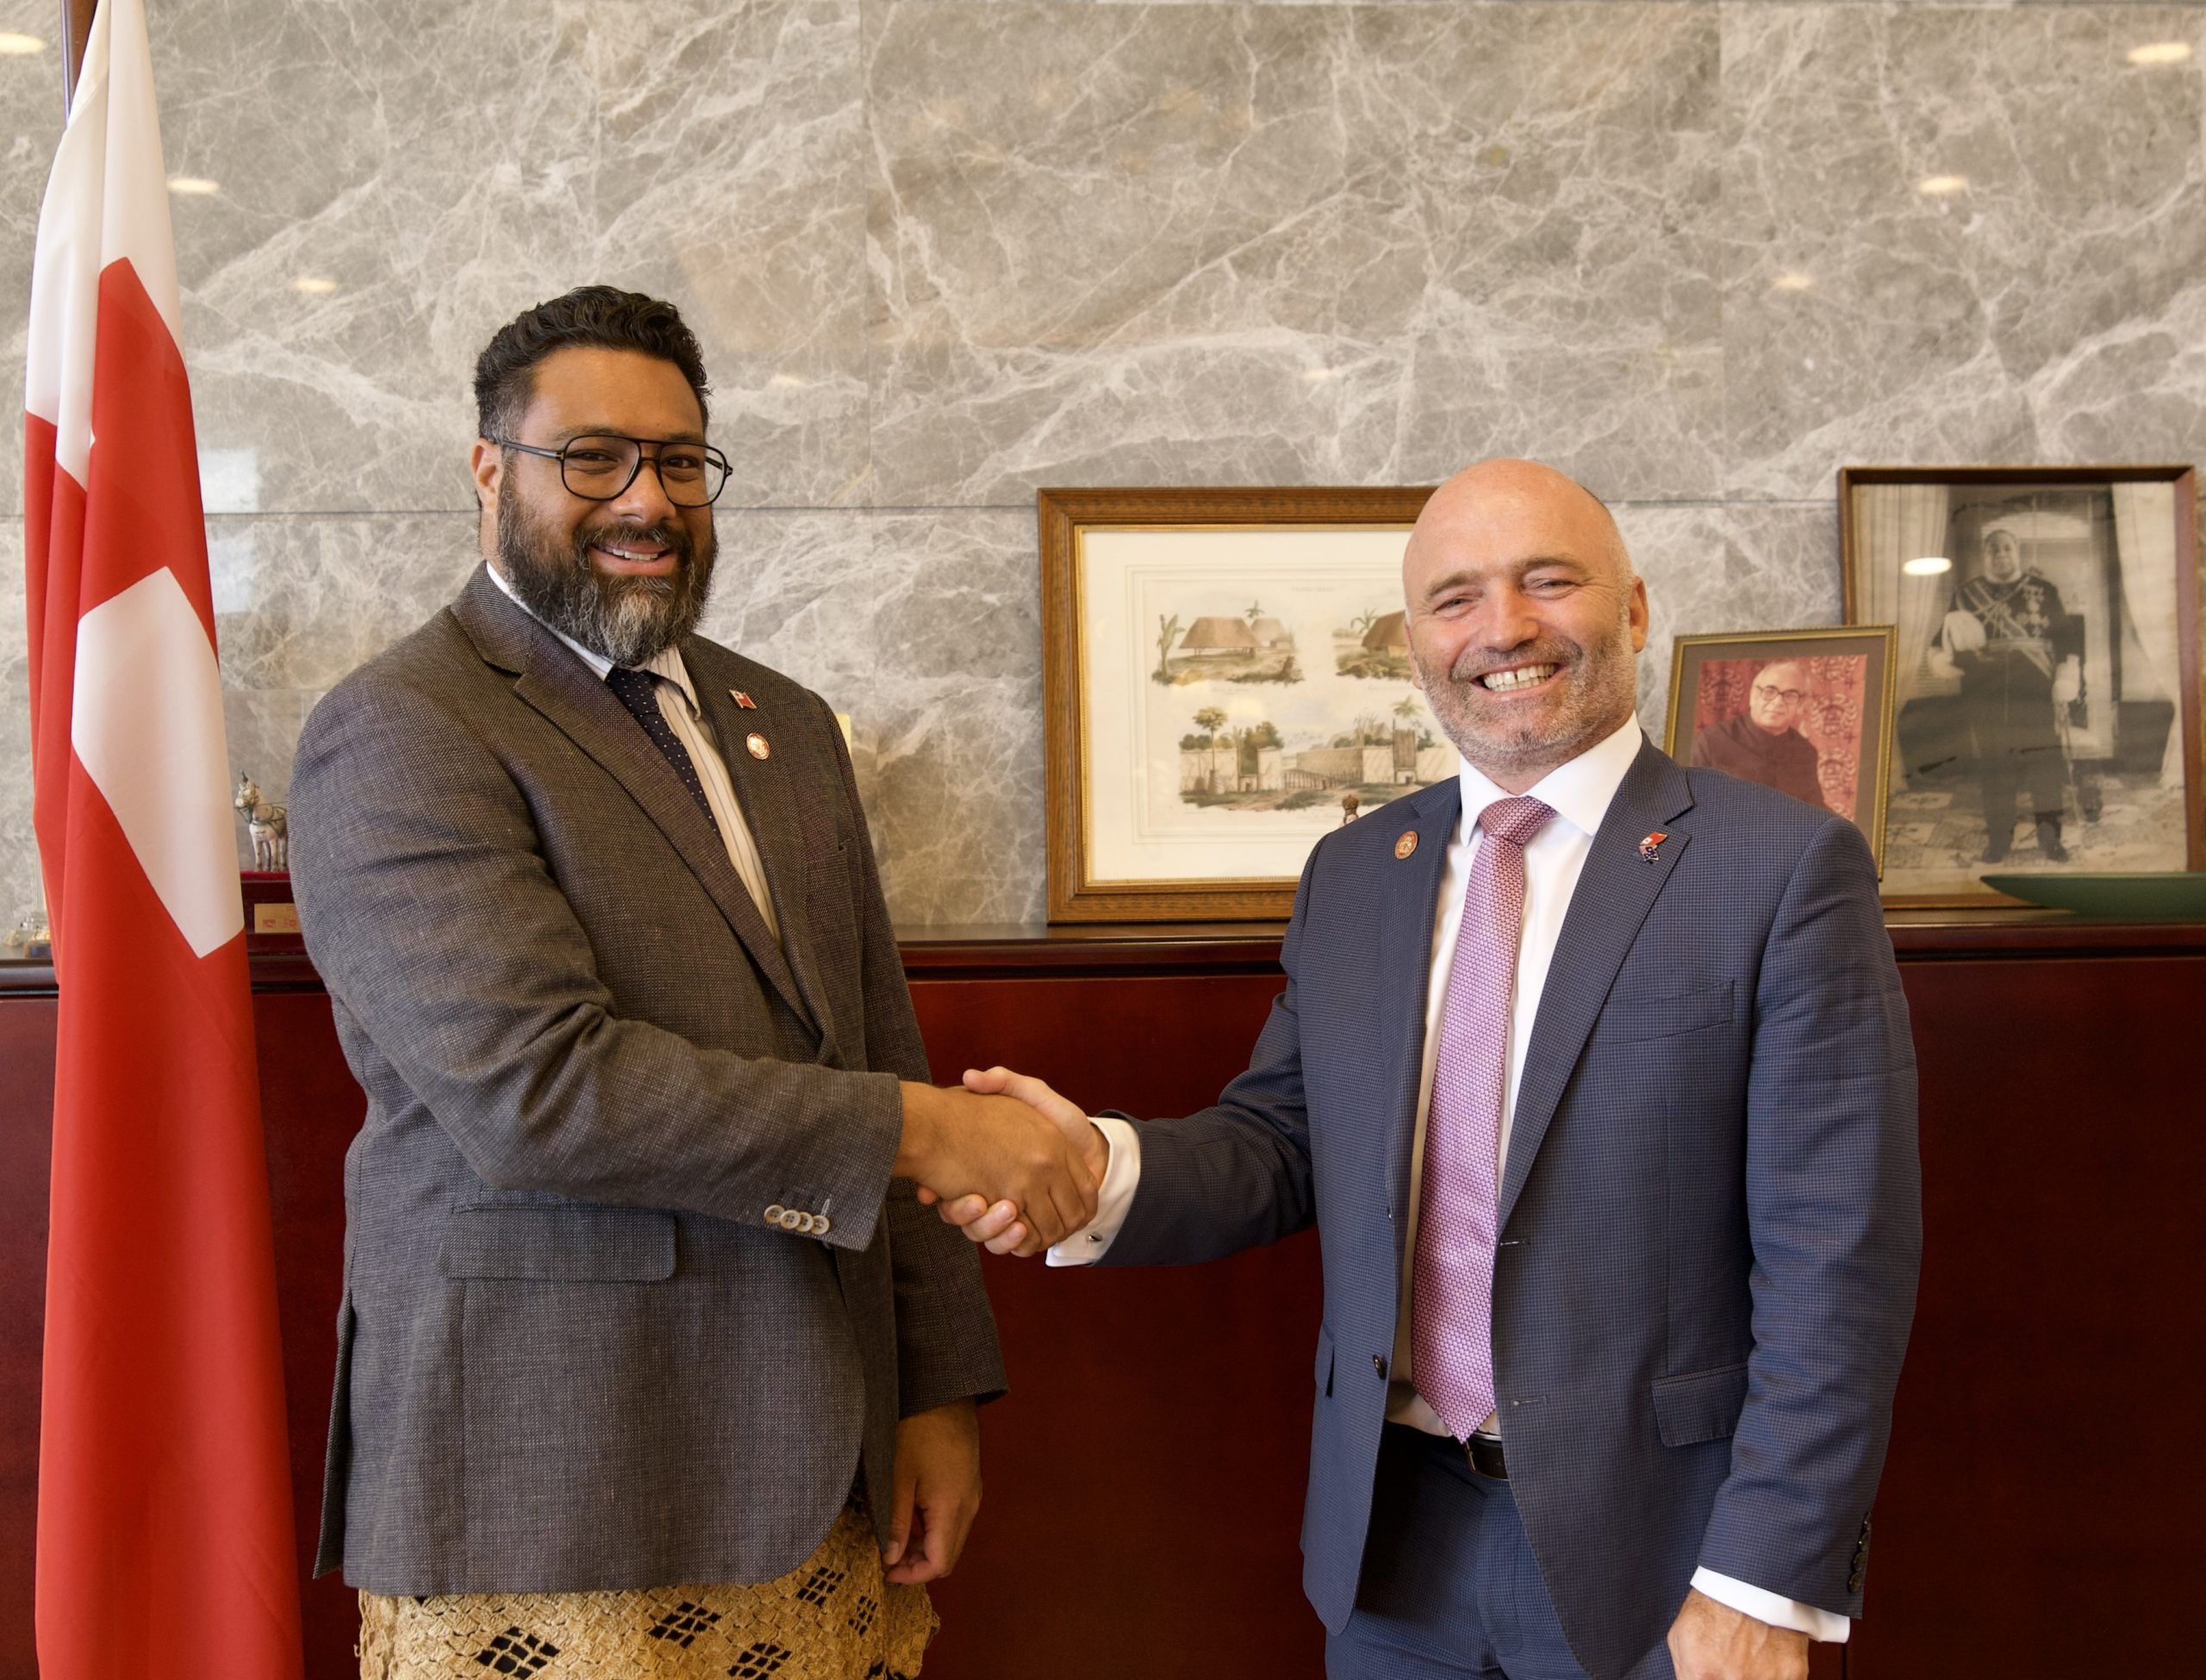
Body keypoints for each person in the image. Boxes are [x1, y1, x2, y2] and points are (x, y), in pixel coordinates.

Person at [934, 460, 1920, 1680]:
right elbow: (1283, 1140)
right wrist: (1098, 1167)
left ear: (1636, 608)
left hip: (1663, 1557)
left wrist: (1765, 1575)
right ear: (1414, 641)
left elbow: (1841, 1259)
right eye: (1456, 597)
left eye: (1548, 580)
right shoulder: (1358, 871)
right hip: (1391, 1548)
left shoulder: (1780, 869)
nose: (1502, 627)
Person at [288, 286, 1097, 1680]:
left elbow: (871, 1036)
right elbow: (542, 1091)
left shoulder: (780, 723)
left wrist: (939, 1387)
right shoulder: (403, 727)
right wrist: (926, 1130)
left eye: (678, 460)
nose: (644, 500)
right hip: (565, 1476)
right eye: (591, 458)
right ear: (491, 469)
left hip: (824, 1468)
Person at [1932, 525, 2083, 862]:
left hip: (2034, 694)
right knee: (1995, 769)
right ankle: (1999, 840)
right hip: (1984, 695)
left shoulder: (2045, 591)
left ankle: (2050, 839)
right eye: (1993, 549)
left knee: (2044, 767)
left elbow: (2068, 642)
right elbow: (1941, 643)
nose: (2001, 555)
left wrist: (2066, 676)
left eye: (2007, 548)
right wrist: (1943, 660)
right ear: (1984, 556)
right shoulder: (1964, 595)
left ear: (2018, 553)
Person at [1688, 660, 1827, 810]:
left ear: (1801, 704)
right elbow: (1690, 806)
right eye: (1769, 691)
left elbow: (1815, 810)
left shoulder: (1805, 752)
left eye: (1791, 695)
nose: (1778, 701)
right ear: (1753, 696)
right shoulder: (1711, 742)